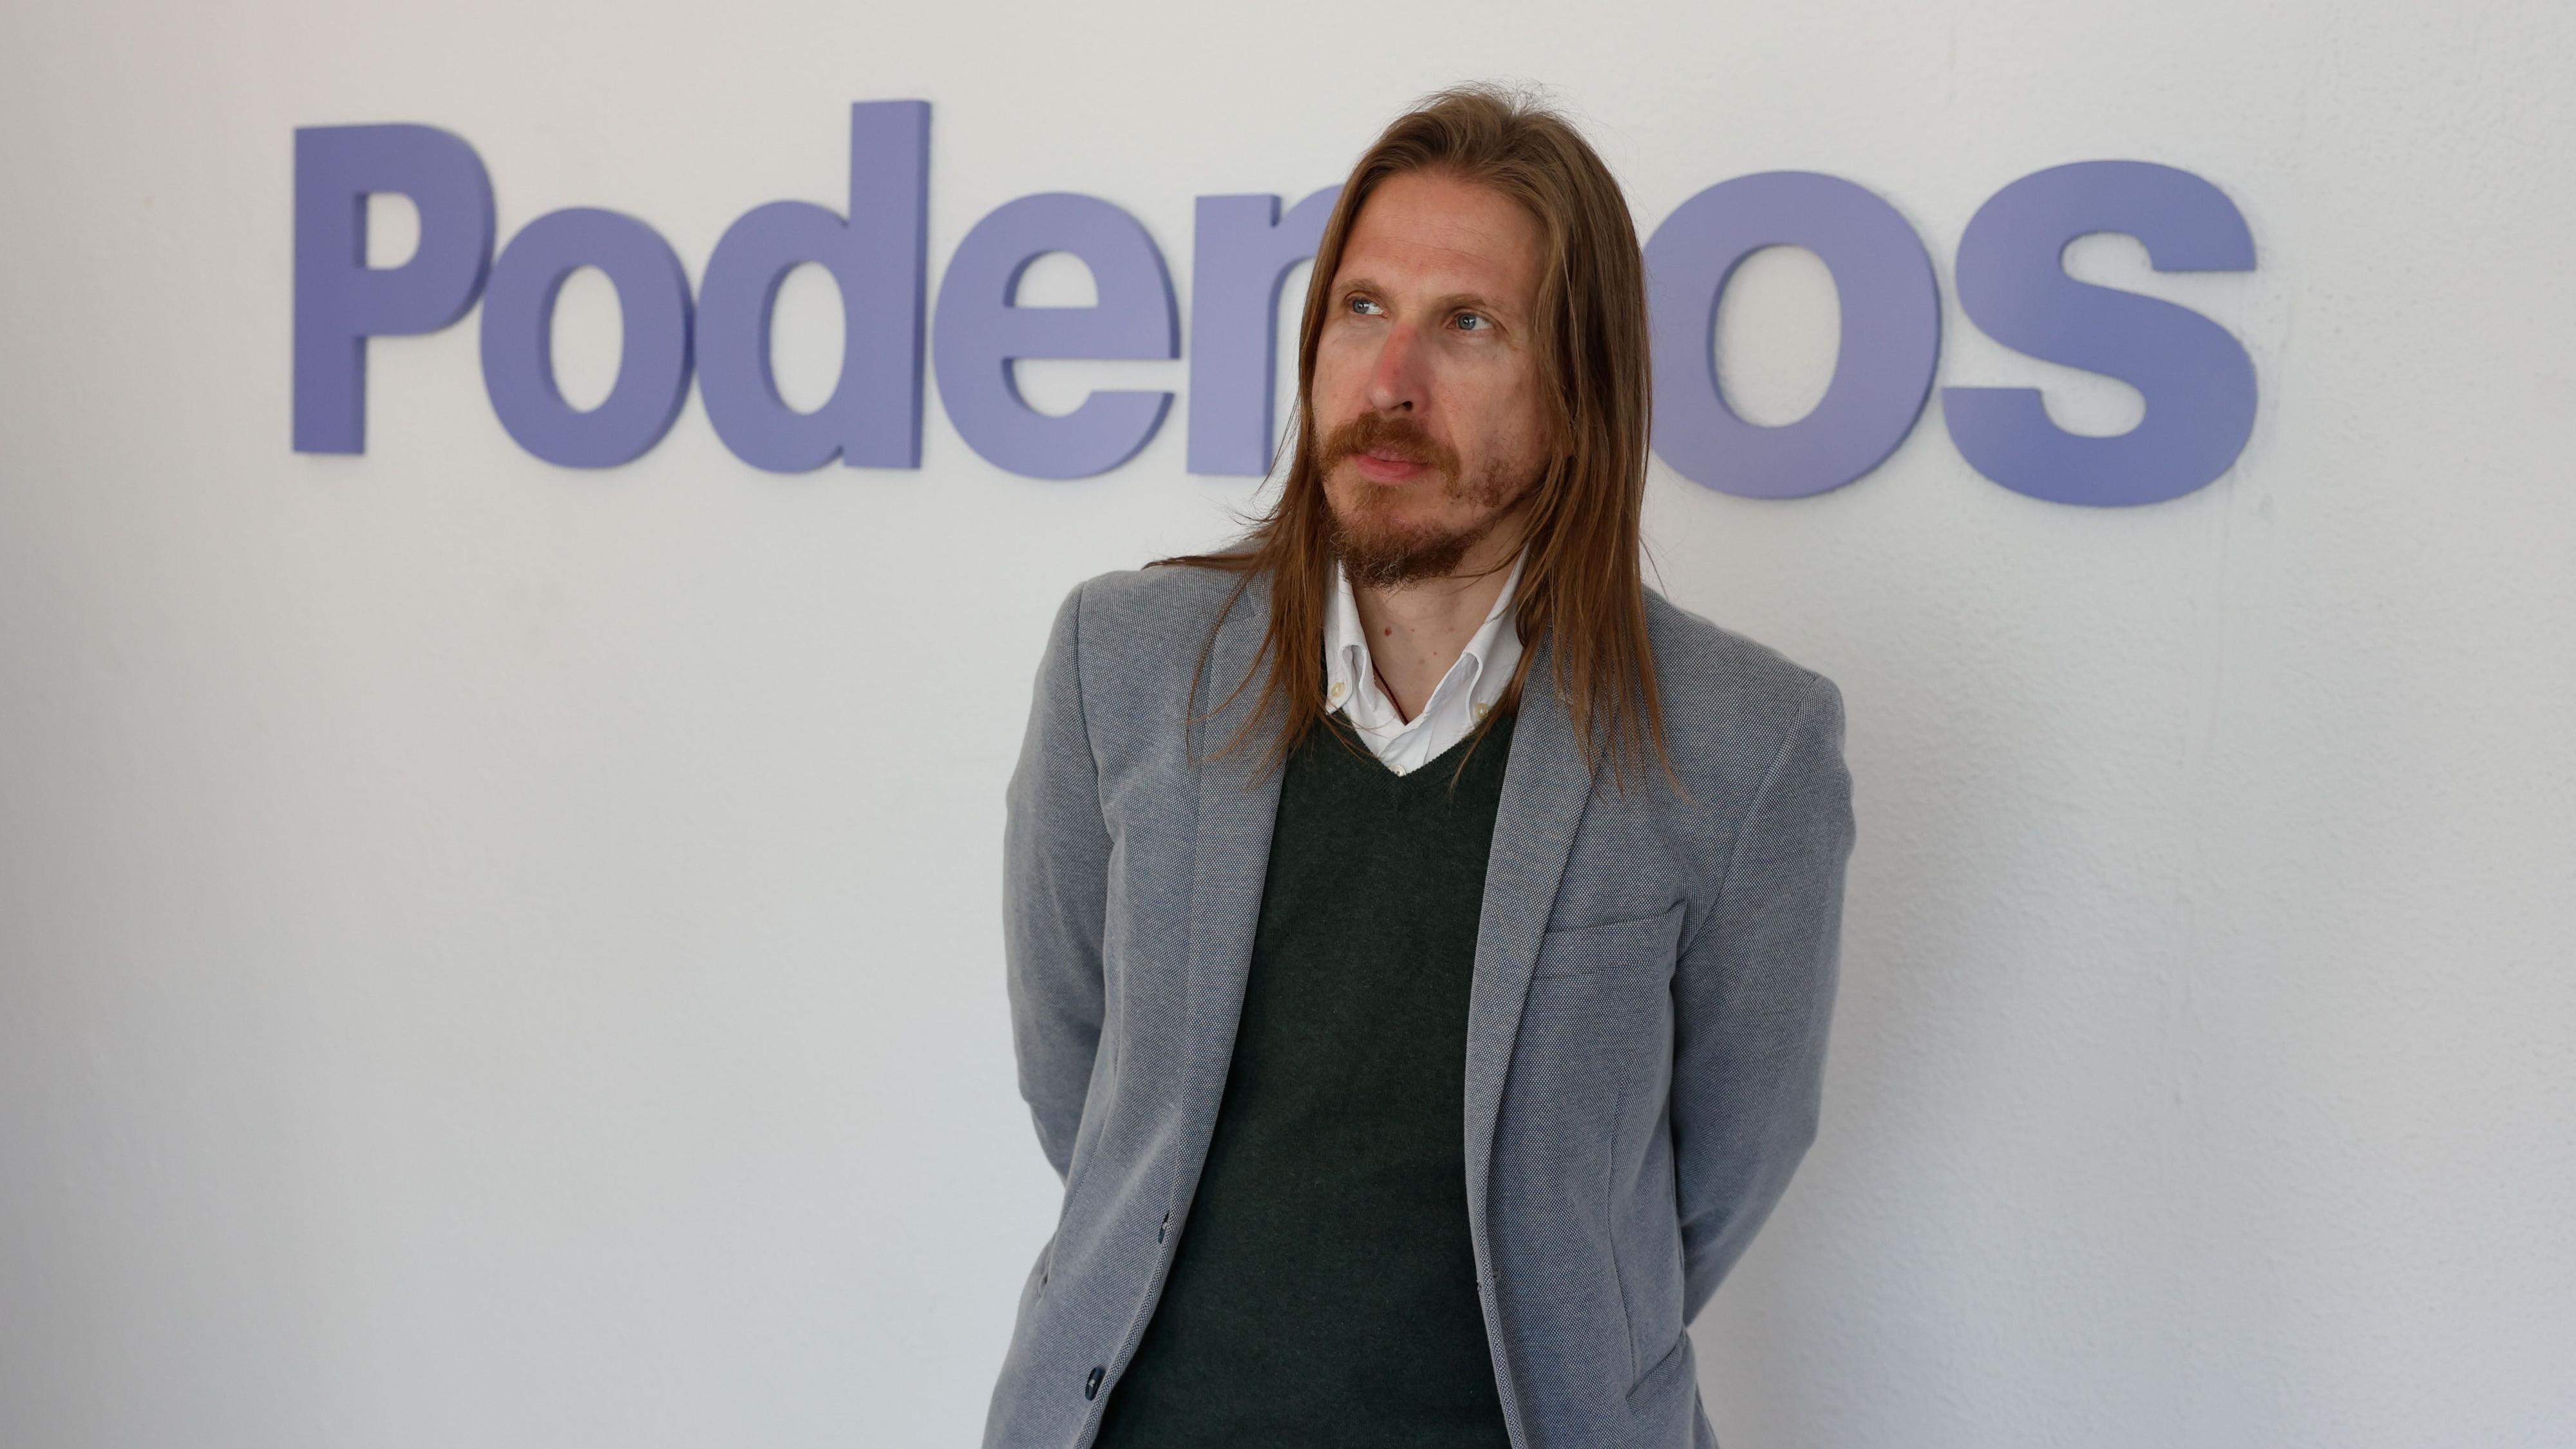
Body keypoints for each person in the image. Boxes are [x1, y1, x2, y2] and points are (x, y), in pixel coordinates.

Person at [983, 84, 1856, 1449]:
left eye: (1468, 325)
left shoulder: (1745, 743)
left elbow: (1727, 1161)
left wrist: (1567, 1309)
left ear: (1580, 389)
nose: (1389, 381)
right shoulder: (1127, 661)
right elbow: (1078, 1085)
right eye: (1362, 307)